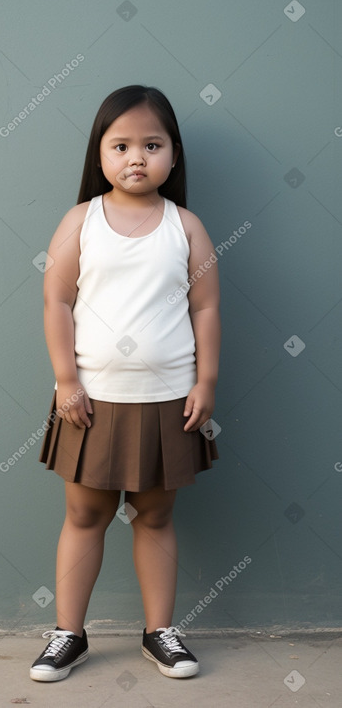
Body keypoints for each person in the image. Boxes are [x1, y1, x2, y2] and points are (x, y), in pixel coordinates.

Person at [30, 85, 221, 682]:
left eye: (152, 144)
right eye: (121, 145)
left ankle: (160, 632)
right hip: (90, 401)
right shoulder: (79, 221)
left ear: (173, 155)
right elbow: (56, 300)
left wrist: (205, 380)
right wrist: (66, 380)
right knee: (84, 516)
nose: (136, 157)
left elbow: (207, 310)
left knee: (156, 518)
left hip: (167, 400)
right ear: (100, 155)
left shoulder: (186, 227)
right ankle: (68, 633)